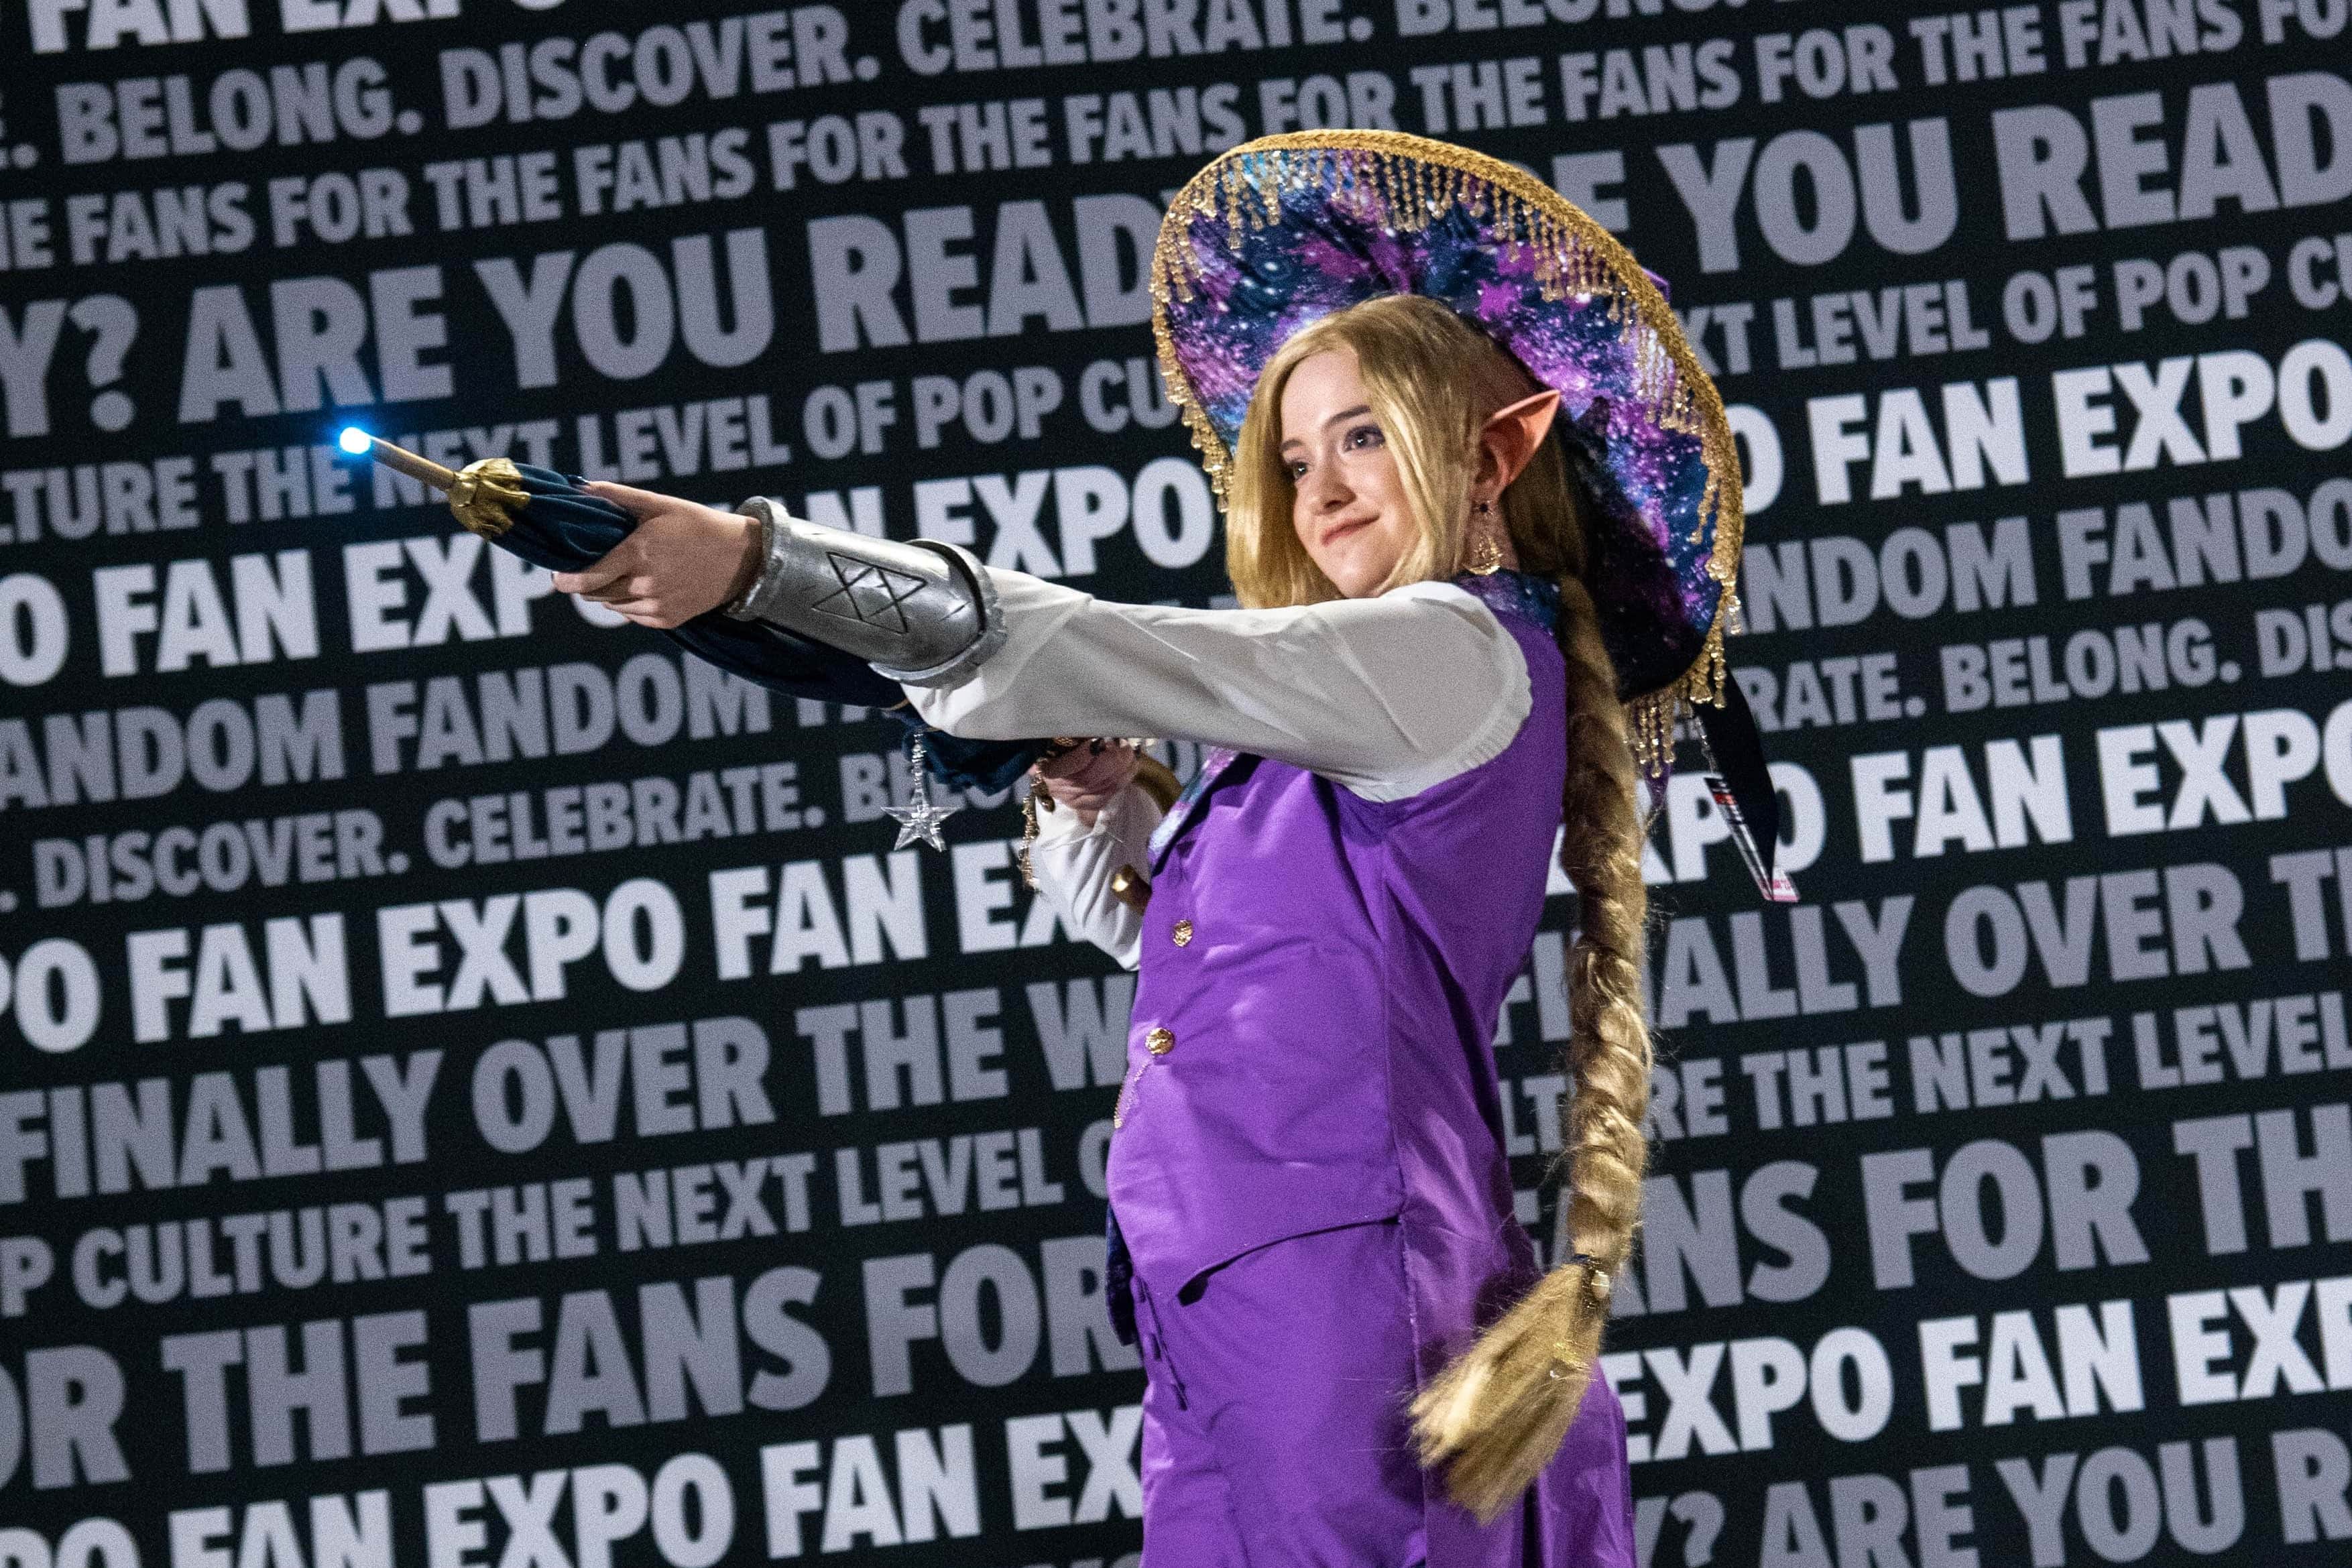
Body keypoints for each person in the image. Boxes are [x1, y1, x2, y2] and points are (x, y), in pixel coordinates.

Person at [552, 132, 1752, 1567]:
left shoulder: (1451, 651)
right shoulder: (1363, 700)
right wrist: (1097, 798)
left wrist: (754, 566)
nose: (1320, 486)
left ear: (1493, 449)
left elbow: (1106, 644)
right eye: (1295, 453)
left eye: (1363, 434)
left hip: (1338, 1275)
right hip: (1224, 1280)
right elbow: (1203, 937)